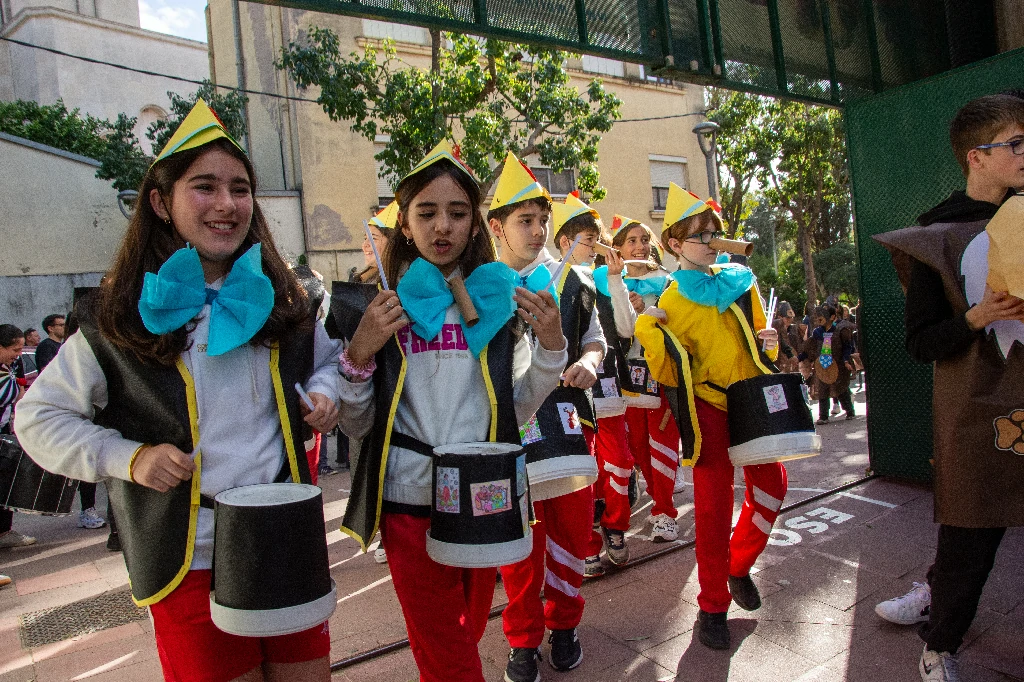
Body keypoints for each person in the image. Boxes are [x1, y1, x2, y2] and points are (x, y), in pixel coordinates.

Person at [15, 99, 341, 682]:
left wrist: (323, 393)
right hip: (187, 556)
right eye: (205, 187)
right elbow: (37, 418)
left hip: (285, 535)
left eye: (239, 189)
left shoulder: (285, 301)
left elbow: (328, 364)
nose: (226, 204)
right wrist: (128, 458)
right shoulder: (118, 318)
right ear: (161, 203)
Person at [335, 141, 567, 682]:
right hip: (406, 496)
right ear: (405, 225)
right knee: (446, 647)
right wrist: (360, 351)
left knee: (462, 633)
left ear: (476, 223)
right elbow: (359, 424)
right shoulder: (380, 308)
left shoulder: (498, 300)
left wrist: (553, 345)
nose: (443, 226)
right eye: (427, 212)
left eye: (458, 213)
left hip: (484, 492)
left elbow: (519, 406)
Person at [873, 93, 1024, 682]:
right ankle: (939, 643)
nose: (1023, 155)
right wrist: (976, 317)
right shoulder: (936, 231)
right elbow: (920, 342)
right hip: (976, 405)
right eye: (1014, 143)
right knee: (971, 531)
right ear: (975, 156)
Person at [636, 184, 783, 650]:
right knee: (714, 509)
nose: (712, 238)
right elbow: (665, 369)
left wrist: (772, 342)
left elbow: (760, 342)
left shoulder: (742, 280)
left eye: (714, 230)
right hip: (706, 410)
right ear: (675, 245)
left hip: (750, 400)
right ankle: (713, 606)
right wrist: (648, 329)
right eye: (700, 233)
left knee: (774, 486)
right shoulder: (671, 300)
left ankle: (738, 566)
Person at [488, 175, 607, 681]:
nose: (538, 231)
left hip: (568, 427)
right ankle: (522, 639)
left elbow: (597, 342)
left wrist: (590, 364)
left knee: (571, 532)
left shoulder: (574, 282)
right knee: (517, 544)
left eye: (543, 220)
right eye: (525, 221)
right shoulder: (476, 286)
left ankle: (565, 625)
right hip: (508, 435)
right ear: (497, 227)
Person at [609, 216, 681, 543]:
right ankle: (656, 500)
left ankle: (665, 513)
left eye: (643, 239)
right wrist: (624, 300)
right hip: (625, 378)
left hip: (661, 374)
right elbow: (618, 331)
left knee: (662, 444)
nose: (639, 246)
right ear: (618, 249)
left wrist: (647, 311)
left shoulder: (668, 282)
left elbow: (675, 326)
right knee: (638, 448)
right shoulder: (608, 282)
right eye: (631, 241)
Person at [588, 216, 641, 573]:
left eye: (594, 237)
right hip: (571, 396)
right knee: (583, 470)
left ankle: (616, 527)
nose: (591, 244)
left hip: (611, 388)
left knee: (620, 462)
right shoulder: (550, 279)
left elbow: (626, 330)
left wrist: (618, 284)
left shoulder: (609, 280)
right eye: (581, 237)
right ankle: (587, 541)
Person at [34, 313, 107, 530]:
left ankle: (92, 509)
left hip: (92, 413)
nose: (62, 327)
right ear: (50, 328)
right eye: (59, 325)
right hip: (74, 414)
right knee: (84, 460)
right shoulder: (50, 348)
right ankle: (86, 511)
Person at [0, 324, 36, 551]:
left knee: (5, 485)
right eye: (14, 349)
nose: (18, 355)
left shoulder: (7, 370)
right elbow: (15, 396)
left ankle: (4, 532)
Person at [800, 304, 856, 424]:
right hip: (822, 365)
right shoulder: (817, 332)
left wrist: (846, 360)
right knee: (823, 389)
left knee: (841, 388)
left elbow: (847, 347)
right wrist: (800, 358)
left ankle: (849, 411)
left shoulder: (840, 330)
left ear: (832, 317)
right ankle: (823, 416)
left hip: (838, 364)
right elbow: (810, 347)